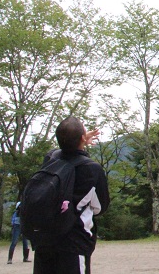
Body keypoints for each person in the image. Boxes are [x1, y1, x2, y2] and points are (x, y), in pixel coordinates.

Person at [33, 116, 110, 274]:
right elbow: (100, 208)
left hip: (45, 241)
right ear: (83, 138)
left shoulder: (50, 159)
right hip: (73, 243)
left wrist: (77, 141)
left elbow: (59, 150)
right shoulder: (91, 169)